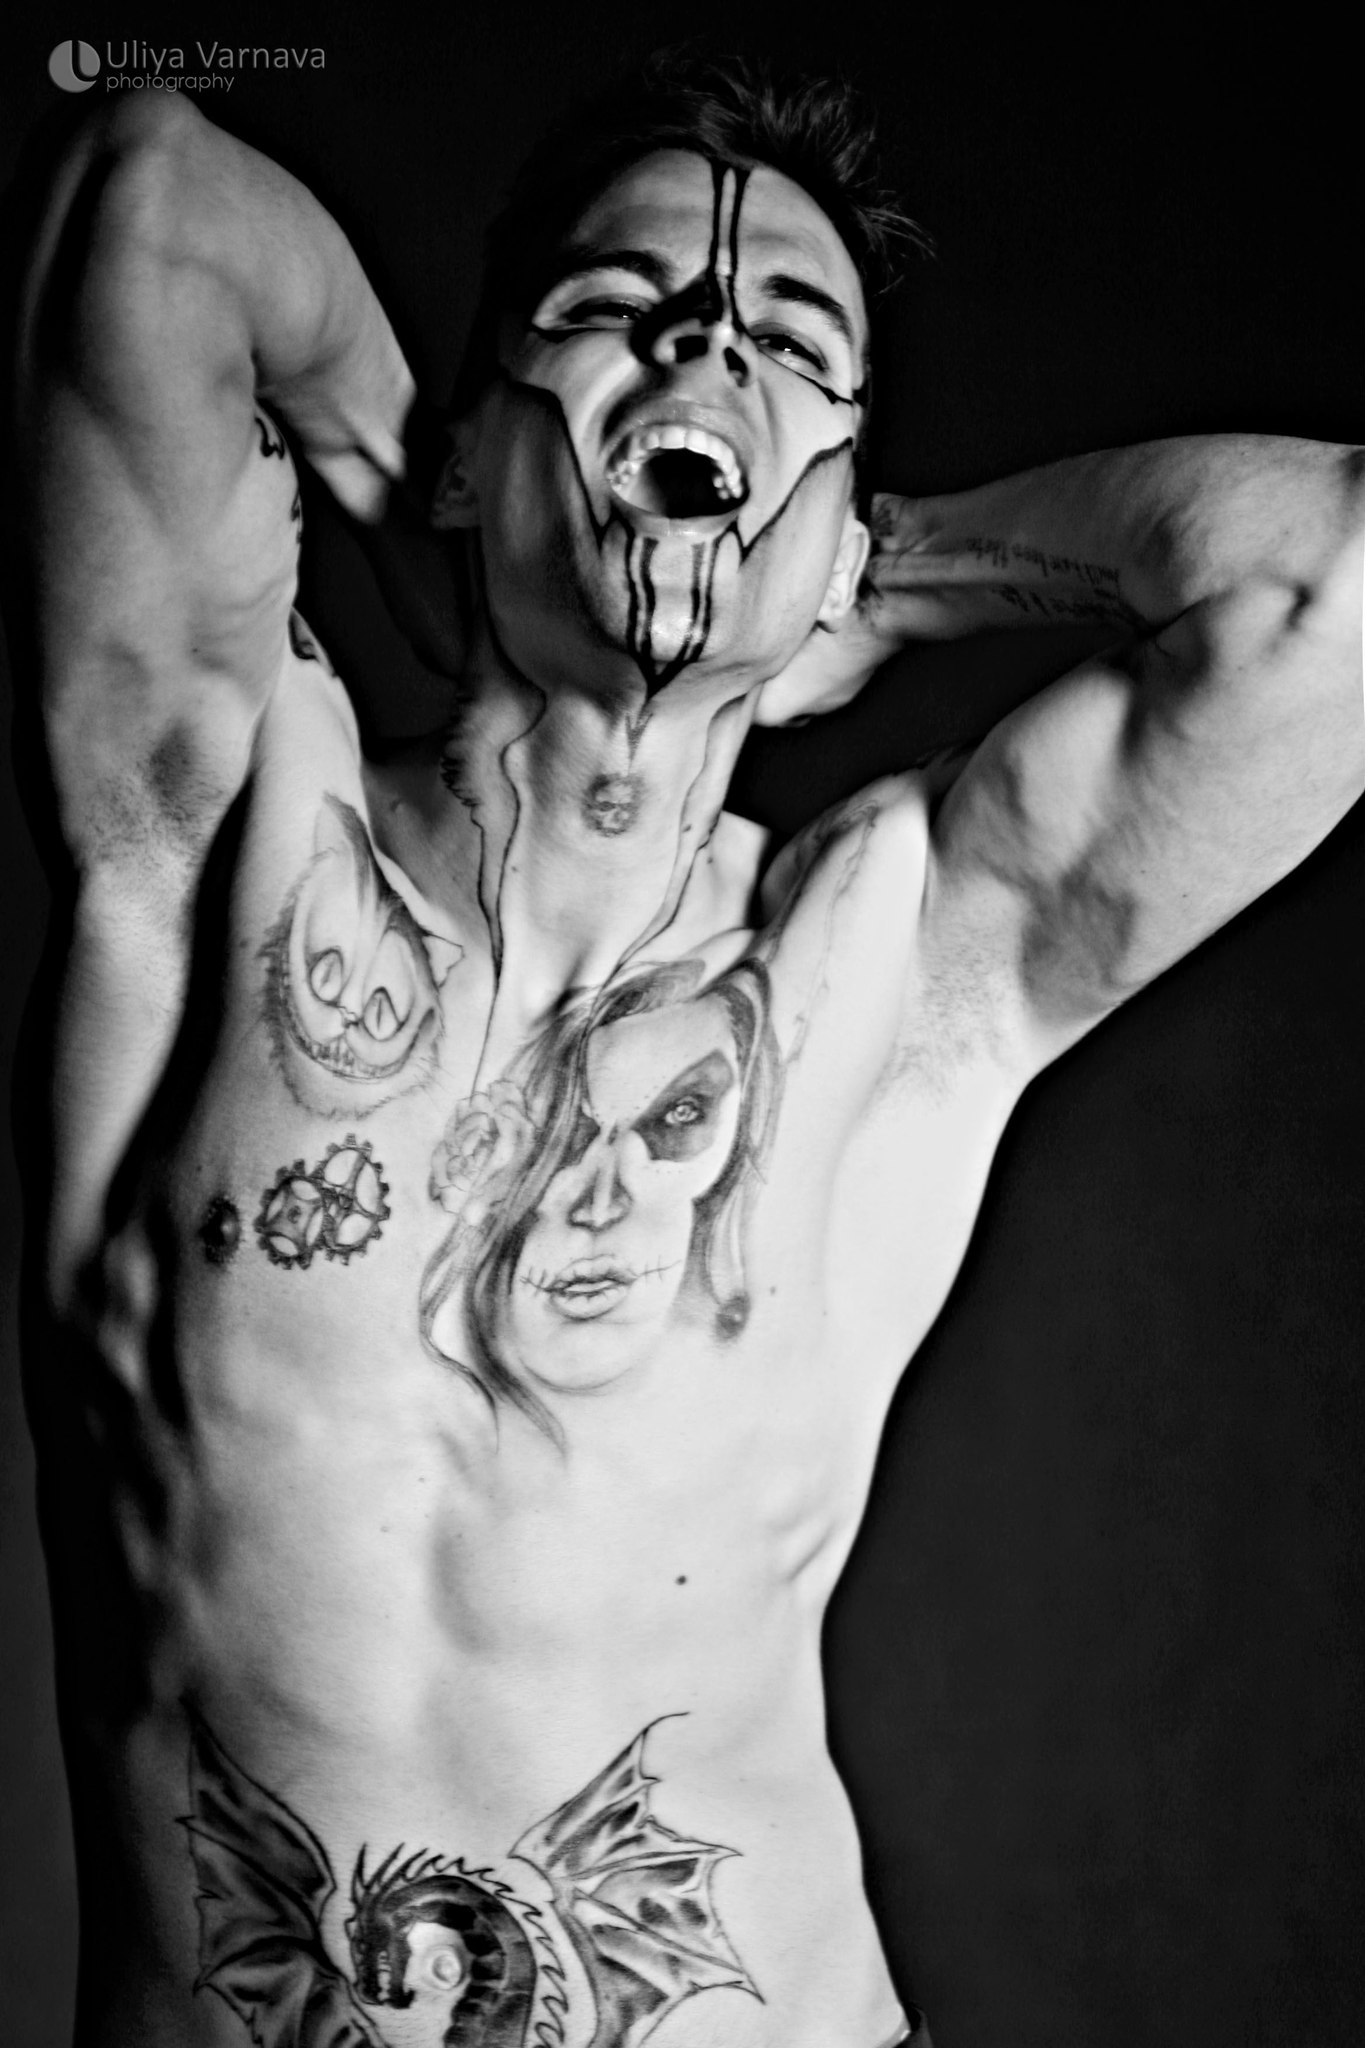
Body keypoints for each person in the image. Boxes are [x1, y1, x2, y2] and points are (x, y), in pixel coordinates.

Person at [7, 49, 1361, 2048]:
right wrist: (426, 490)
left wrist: (878, 564)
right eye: (616, 308)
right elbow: (148, 195)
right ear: (470, 444)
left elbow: (1330, 579)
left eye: (791, 344)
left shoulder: (889, 961)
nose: (708, 342)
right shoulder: (215, 837)